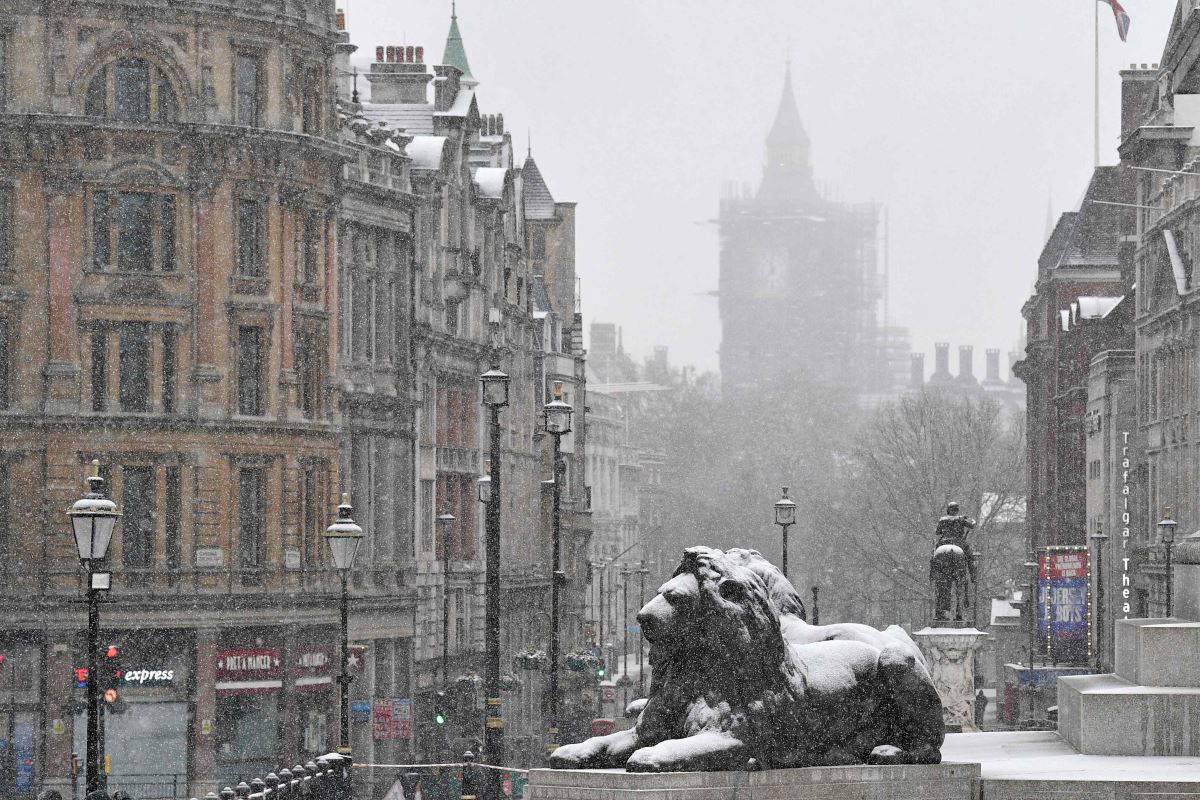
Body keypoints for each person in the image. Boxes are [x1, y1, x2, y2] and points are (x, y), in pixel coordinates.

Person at [935, 502, 978, 582]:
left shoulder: (942, 520)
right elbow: (971, 525)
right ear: (957, 510)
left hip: (944, 542)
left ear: (948, 510)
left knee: (935, 555)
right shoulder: (961, 519)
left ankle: (934, 572)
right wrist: (972, 521)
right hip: (959, 543)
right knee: (970, 557)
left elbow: (937, 532)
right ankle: (973, 576)